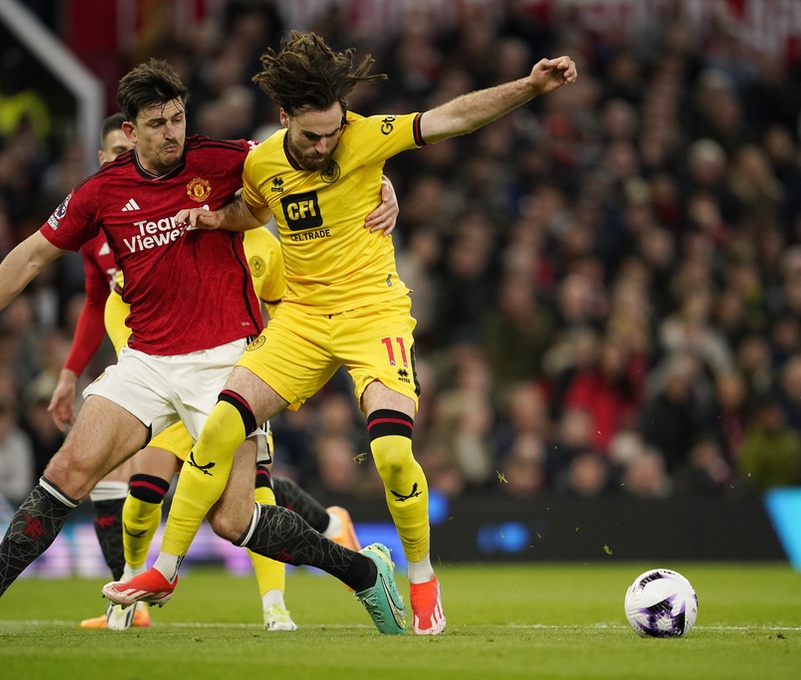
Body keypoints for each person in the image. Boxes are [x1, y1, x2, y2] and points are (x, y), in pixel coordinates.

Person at [106, 31, 577, 636]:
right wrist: (219, 216)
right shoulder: (262, 160)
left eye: (333, 132)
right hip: (301, 319)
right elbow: (255, 207)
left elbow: (451, 117)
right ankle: (165, 570)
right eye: (312, 136)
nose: (326, 145)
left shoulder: (364, 137)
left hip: (372, 312)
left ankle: (423, 578)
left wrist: (531, 87)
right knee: (222, 423)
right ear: (284, 120)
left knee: (390, 451)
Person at [0, 58, 402, 638]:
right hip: (146, 362)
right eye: (157, 124)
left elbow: (313, 154)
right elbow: (28, 255)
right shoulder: (101, 192)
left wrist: (385, 185)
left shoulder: (225, 159)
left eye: (177, 119)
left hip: (224, 361)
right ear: (130, 132)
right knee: (68, 469)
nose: (172, 132)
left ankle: (363, 572)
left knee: (233, 519)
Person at [56, 113, 382, 631]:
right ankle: (129, 603)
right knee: (143, 490)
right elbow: (101, 302)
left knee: (247, 498)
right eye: (119, 153)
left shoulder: (250, 240)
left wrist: (274, 369)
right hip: (160, 376)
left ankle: (277, 605)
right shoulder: (113, 230)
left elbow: (286, 303)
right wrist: (75, 372)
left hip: (232, 375)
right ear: (106, 160)